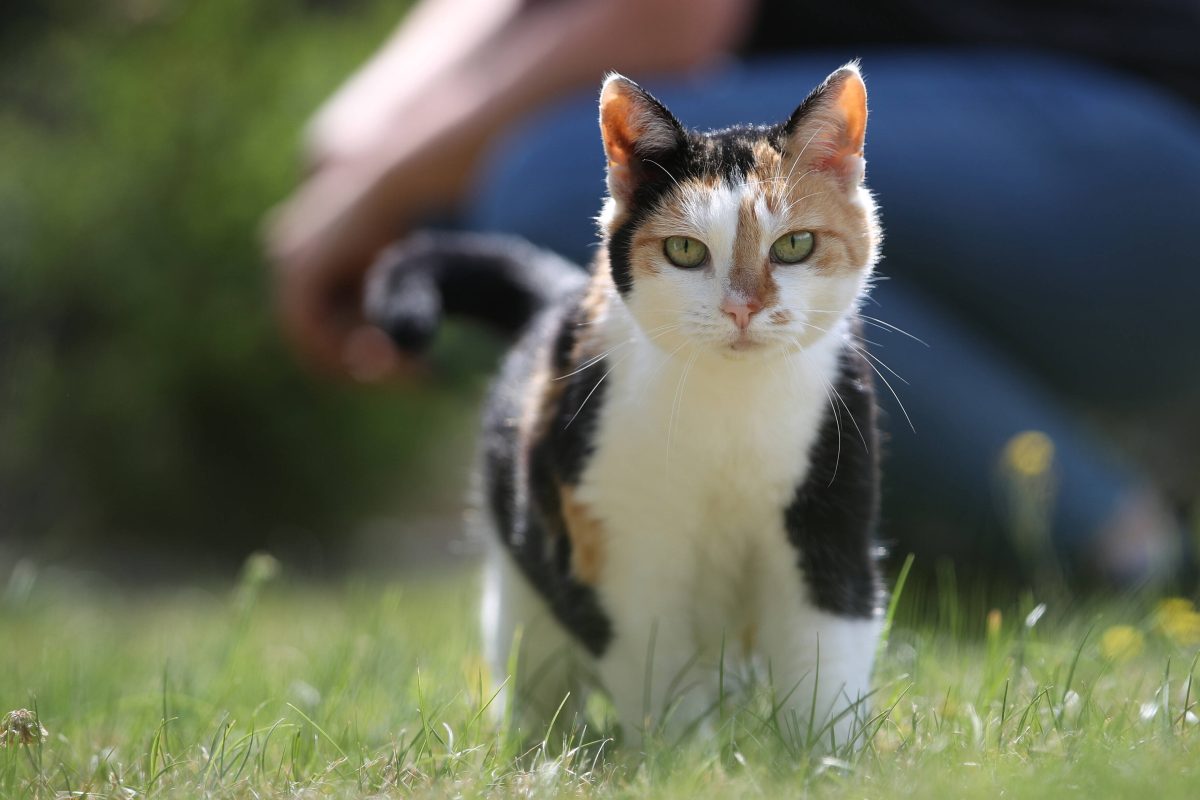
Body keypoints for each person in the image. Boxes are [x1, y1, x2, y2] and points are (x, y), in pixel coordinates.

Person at [266, 0, 1200, 585]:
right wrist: (363, 152)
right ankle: (906, 553)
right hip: (1068, 164)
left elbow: (665, 21)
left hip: (1146, 158)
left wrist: (380, 189)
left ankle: (1119, 545)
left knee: (564, 184)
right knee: (468, 210)